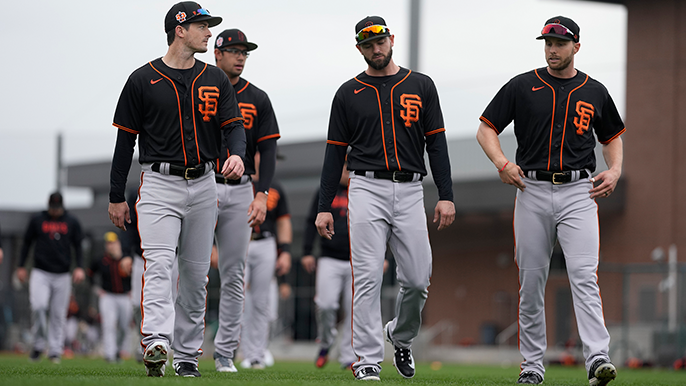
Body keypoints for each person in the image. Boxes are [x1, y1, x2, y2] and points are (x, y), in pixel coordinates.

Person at [475, 16, 623, 386]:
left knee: (584, 276)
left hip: (579, 191)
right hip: (532, 189)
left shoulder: (594, 90)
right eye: (547, 43)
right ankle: (532, 365)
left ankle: (597, 358)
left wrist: (616, 169)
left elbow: (612, 137)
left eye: (559, 43)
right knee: (532, 280)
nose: (552, 49)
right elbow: (486, 128)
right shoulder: (523, 85)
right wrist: (502, 163)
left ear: (576, 46)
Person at [107, 1, 246, 377]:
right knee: (160, 266)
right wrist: (116, 195)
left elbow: (234, 126)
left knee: (197, 274)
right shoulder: (142, 78)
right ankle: (156, 342)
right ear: (179, 29)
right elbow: (124, 143)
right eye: (202, 26)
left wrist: (238, 155)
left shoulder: (215, 79)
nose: (209, 32)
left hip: (203, 183)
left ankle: (186, 354)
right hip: (157, 183)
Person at [315, 16, 455, 381]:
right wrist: (324, 206)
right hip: (366, 187)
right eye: (367, 43)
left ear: (391, 40)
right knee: (367, 278)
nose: (375, 48)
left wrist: (446, 195)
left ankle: (400, 336)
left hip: (410, 188)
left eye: (380, 41)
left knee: (418, 278)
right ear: (359, 48)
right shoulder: (349, 92)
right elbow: (333, 154)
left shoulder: (421, 85)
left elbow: (436, 145)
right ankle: (367, 360)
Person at [211, 28, 280, 373]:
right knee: (189, 271)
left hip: (240, 188)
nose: (240, 56)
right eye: (235, 50)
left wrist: (262, 193)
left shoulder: (258, 97)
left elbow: (268, 150)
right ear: (217, 54)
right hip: (202, 182)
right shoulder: (201, 89)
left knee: (234, 274)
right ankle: (182, 349)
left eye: (245, 52)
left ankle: (225, 352)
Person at [17, 192, 85, 364]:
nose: (55, 211)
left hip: (62, 273)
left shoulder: (71, 221)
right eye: (53, 208)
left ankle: (55, 350)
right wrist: (20, 266)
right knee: (38, 306)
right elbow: (26, 243)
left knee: (58, 313)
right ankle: (38, 345)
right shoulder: (37, 219)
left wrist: (79, 267)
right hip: (40, 271)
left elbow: (78, 246)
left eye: (57, 208)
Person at [240, 152, 292, 369]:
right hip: (241, 242)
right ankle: (240, 351)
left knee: (262, 302)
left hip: (266, 243)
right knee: (239, 300)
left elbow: (283, 222)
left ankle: (257, 355)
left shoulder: (276, 187)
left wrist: (286, 251)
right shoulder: (238, 182)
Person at [302, 163, 356, 370]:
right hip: (329, 258)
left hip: (356, 260)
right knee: (325, 305)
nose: (348, 173)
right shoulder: (326, 191)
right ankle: (325, 342)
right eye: (345, 168)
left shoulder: (363, 191)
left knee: (354, 309)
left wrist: (384, 256)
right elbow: (310, 221)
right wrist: (307, 251)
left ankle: (348, 357)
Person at [87, 231, 133, 363]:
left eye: (113, 243)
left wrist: (133, 290)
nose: (110, 246)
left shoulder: (125, 258)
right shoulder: (101, 260)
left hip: (125, 296)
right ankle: (109, 354)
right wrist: (97, 290)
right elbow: (90, 273)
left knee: (124, 326)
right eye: (108, 243)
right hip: (108, 296)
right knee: (109, 325)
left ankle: (118, 350)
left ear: (118, 243)